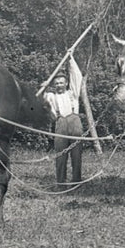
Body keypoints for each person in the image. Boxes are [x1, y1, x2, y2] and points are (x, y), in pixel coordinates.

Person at [42, 58, 86, 187]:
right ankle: (61, 184)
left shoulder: (73, 93)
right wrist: (43, 87)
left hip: (75, 124)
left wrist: (71, 59)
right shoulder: (50, 96)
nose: (59, 85)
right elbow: (41, 100)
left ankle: (76, 182)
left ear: (66, 83)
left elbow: (76, 76)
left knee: (76, 155)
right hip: (60, 125)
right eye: (56, 83)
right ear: (53, 85)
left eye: (61, 83)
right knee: (60, 156)